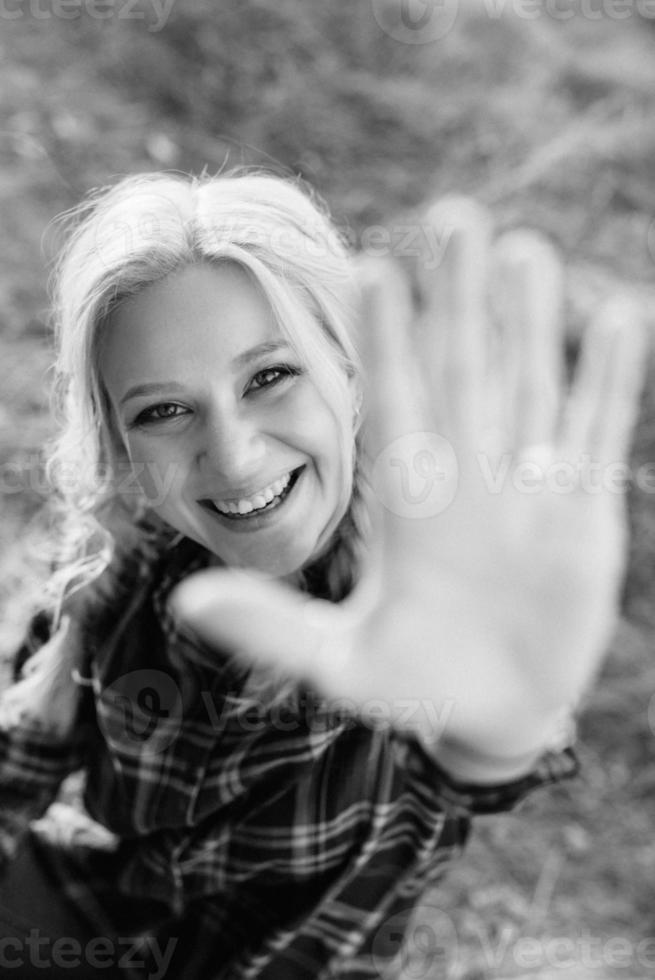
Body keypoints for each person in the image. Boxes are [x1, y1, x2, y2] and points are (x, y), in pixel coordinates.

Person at [0, 170, 646, 980]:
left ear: (350, 375)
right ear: (119, 447)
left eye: (270, 376)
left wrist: (497, 736)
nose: (233, 456)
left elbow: (455, 769)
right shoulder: (122, 559)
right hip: (74, 913)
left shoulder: (424, 599)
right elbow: (24, 745)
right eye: (162, 411)